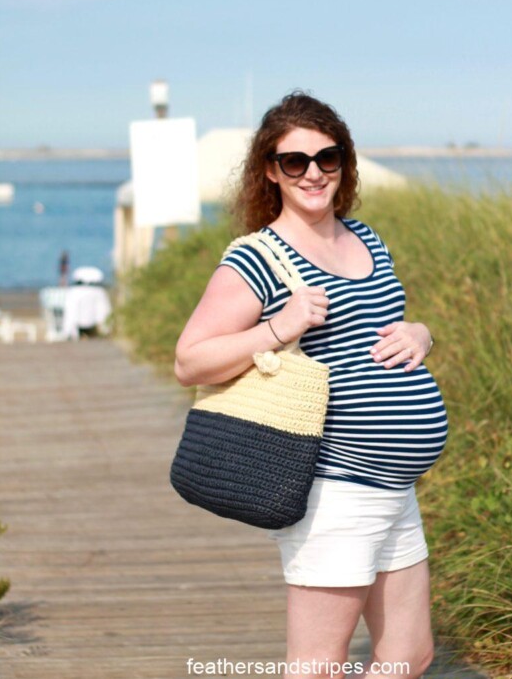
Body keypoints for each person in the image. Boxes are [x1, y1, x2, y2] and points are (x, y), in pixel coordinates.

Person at [174, 91, 448, 679]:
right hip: (336, 489)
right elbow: (190, 361)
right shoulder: (257, 259)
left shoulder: (366, 238)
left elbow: (382, 330)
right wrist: (278, 326)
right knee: (318, 666)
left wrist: (421, 334)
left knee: (409, 656)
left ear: (345, 162)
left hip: (395, 489)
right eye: (294, 161)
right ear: (270, 171)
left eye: (327, 157)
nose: (313, 173)